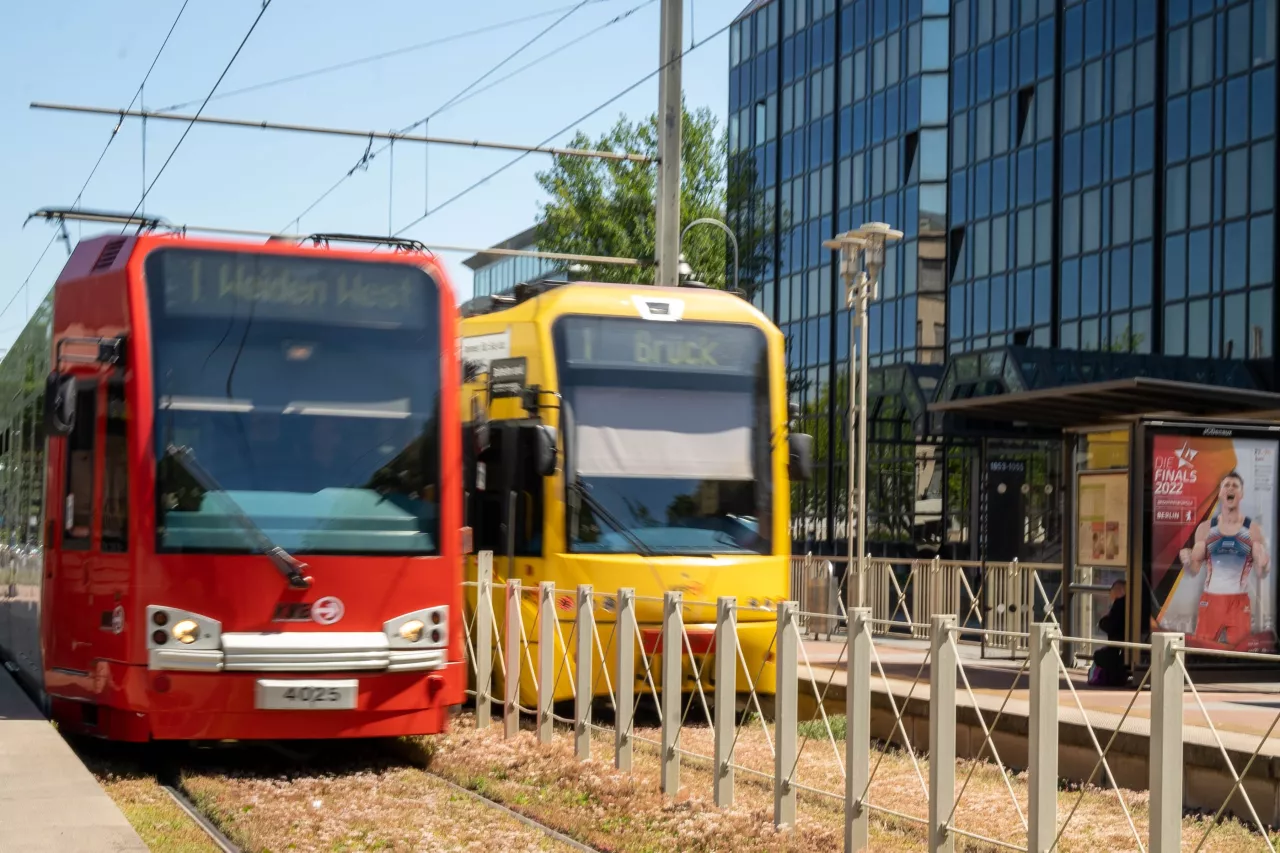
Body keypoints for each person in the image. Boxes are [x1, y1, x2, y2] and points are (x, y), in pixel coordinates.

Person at [1179, 471, 1274, 651]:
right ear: (1221, 493)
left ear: (1241, 493)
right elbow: (1194, 570)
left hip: (1239, 603)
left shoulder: (1253, 530)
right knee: (1202, 651)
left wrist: (1266, 565)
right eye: (1226, 485)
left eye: (1235, 486)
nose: (1230, 488)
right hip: (1211, 601)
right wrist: (1186, 561)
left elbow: (1261, 573)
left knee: (1241, 652)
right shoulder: (1206, 528)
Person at [1090, 579, 1129, 687]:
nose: (1110, 595)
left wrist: (1103, 621)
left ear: (1119, 591)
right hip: (1124, 650)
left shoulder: (1120, 604)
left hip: (1119, 650)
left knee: (1098, 655)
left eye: (1111, 591)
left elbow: (1110, 625)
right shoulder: (1131, 604)